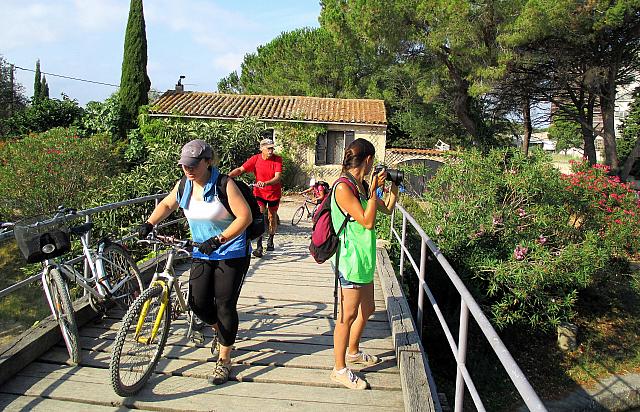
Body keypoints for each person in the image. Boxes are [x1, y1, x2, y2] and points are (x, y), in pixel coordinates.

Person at [137, 139, 252, 386]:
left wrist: (220, 238)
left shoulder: (224, 184)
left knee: (224, 304)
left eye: (193, 165)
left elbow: (245, 217)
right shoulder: (184, 185)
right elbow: (168, 204)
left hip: (231, 251)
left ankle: (224, 359)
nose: (188, 170)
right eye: (184, 165)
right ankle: (219, 331)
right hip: (201, 251)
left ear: (207, 162)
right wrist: (149, 223)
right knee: (197, 303)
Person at [329, 138, 399, 390]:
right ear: (368, 160)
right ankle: (338, 369)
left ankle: (354, 351)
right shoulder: (343, 188)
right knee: (346, 316)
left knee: (367, 308)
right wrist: (371, 193)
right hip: (350, 259)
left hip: (364, 257)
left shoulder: (361, 184)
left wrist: (394, 188)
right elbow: (367, 221)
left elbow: (386, 210)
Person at [228, 138, 283, 258]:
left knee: (271, 216)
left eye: (272, 148)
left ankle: (271, 239)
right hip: (259, 193)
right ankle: (259, 246)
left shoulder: (277, 159)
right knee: (259, 216)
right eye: (268, 148)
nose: (271, 151)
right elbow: (241, 169)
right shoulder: (255, 159)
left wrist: (266, 183)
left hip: (274, 193)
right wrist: (227, 177)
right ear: (261, 149)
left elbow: (278, 177)